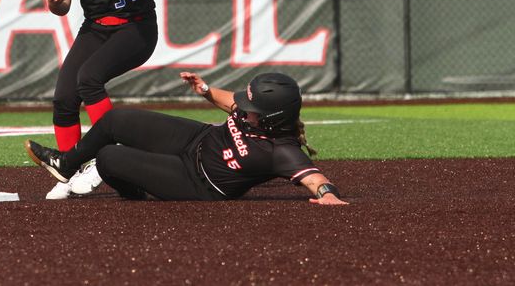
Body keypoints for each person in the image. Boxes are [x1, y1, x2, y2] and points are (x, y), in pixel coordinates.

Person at [44, 0, 184, 199]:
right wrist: (55, 1)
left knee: (89, 78)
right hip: (95, 28)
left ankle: (110, 158)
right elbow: (61, 7)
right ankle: (69, 172)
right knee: (64, 98)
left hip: (137, 29)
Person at [25, 71, 348, 204]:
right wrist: (206, 90)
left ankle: (138, 188)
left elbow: (315, 178)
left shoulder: (282, 150)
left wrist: (328, 194)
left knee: (109, 157)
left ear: (272, 118)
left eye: (251, 107)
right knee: (115, 120)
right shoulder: (256, 113)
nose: (243, 108)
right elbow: (228, 101)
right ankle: (66, 164)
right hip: (195, 139)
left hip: (198, 183)